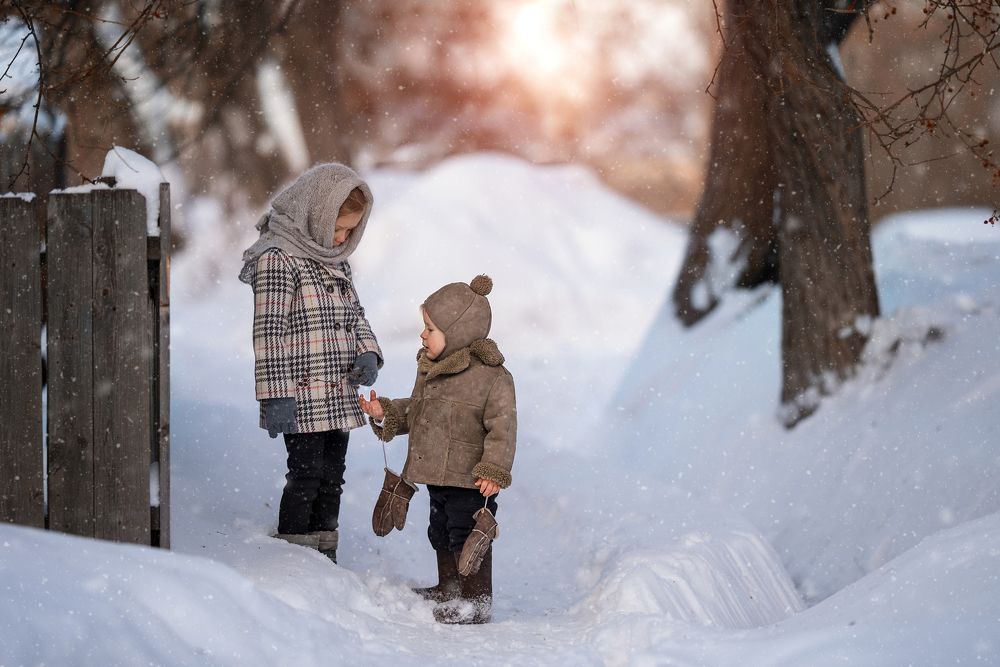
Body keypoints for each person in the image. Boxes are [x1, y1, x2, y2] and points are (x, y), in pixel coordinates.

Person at [239, 163, 383, 564]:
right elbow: (269, 334)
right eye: (338, 229)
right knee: (306, 476)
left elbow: (355, 314)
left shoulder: (335, 259)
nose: (342, 239)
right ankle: (294, 556)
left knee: (332, 479)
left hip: (338, 391)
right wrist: (276, 397)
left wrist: (367, 351)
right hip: (300, 395)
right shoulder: (277, 258)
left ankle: (325, 554)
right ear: (314, 215)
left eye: (350, 232)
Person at [359, 275, 516, 624]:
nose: (422, 335)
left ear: (457, 331)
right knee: (440, 529)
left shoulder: (492, 377)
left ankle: (476, 601)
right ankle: (450, 587)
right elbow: (419, 411)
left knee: (468, 535)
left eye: (430, 328)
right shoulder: (432, 368)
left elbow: (502, 428)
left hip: (469, 477)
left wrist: (494, 468)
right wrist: (388, 412)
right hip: (436, 473)